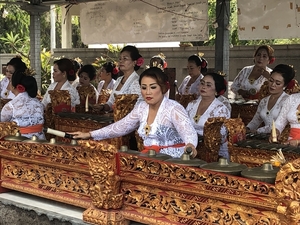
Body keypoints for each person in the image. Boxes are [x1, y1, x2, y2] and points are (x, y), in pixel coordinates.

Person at [71, 67, 198, 158]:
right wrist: (90, 134)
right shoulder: (141, 107)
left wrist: (191, 145)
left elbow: (188, 132)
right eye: (144, 87)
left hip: (172, 162)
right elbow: (121, 126)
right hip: (148, 158)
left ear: (163, 88)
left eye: (153, 87)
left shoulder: (173, 108)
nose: (147, 92)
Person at [186, 72, 230, 160]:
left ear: (216, 91)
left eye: (208, 85)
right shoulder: (191, 105)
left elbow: (221, 135)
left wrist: (197, 136)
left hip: (214, 152)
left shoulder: (221, 109)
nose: (203, 87)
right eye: (202, 83)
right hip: (191, 147)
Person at [247, 64, 295, 134]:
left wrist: (258, 131)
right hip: (263, 138)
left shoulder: (288, 101)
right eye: (271, 80)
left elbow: (279, 125)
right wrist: (246, 129)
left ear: (285, 85)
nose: (272, 85)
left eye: (277, 83)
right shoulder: (264, 101)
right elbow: (256, 121)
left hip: (281, 139)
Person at [96, 45, 144, 112]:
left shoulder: (137, 81)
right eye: (120, 59)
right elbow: (111, 102)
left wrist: (114, 115)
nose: (121, 61)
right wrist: (102, 107)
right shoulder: (119, 80)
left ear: (134, 62)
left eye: (125, 58)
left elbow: (136, 108)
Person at [1, 71, 45, 139]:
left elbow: (2, 124)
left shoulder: (11, 106)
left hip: (19, 143)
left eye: (10, 81)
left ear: (14, 86)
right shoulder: (39, 103)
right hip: (41, 141)